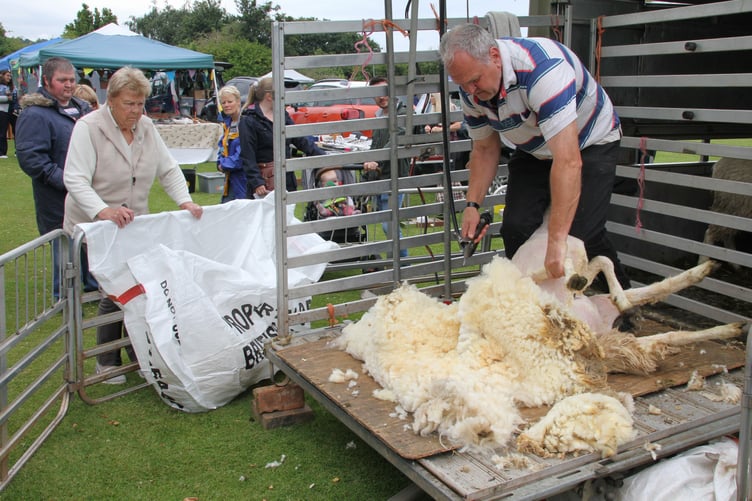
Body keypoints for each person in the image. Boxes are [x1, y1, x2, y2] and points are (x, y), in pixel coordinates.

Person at [439, 23, 629, 287]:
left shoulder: (543, 69)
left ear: (494, 56)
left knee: (581, 235)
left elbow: (568, 161)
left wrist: (557, 239)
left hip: (588, 141)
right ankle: (536, 309)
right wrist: (472, 205)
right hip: (534, 146)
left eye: (474, 80)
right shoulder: (472, 88)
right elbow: (484, 149)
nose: (470, 92)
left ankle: (621, 304)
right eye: (462, 84)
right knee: (516, 228)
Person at [63, 66, 203, 384]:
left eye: (140, 104)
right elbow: (74, 178)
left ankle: (133, 354)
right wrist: (102, 210)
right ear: (110, 99)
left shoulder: (146, 127)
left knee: (137, 287)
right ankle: (107, 362)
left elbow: (167, 168)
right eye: (129, 104)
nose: (136, 111)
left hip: (131, 224)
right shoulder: (88, 128)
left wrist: (185, 201)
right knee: (114, 288)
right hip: (93, 225)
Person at [16, 57, 95, 298]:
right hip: (55, 196)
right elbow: (33, 159)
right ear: (47, 81)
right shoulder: (35, 114)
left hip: (86, 191)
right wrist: (67, 181)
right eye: (62, 80)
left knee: (89, 241)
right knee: (63, 245)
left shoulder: (82, 108)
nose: (69, 85)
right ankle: (64, 296)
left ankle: (93, 285)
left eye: (71, 79)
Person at [239, 77, 325, 198]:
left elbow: (300, 140)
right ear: (269, 96)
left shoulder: (282, 115)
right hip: (264, 183)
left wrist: (324, 157)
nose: (284, 97)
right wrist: (257, 182)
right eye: (281, 93)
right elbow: (247, 155)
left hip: (286, 180)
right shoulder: (248, 120)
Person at [362, 76, 409, 258]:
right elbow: (376, 145)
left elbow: (397, 138)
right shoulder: (378, 116)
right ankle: (398, 268)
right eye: (376, 94)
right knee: (388, 224)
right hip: (381, 177)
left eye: (384, 92)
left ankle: (402, 268)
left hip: (396, 175)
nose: (381, 97)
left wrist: (377, 161)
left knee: (389, 224)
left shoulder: (403, 112)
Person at [216, 85, 245, 201]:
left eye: (230, 101)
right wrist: (219, 161)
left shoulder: (245, 122)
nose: (226, 105)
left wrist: (223, 165)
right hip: (230, 179)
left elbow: (241, 155)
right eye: (223, 103)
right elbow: (222, 146)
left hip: (244, 179)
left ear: (238, 101)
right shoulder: (227, 124)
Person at [0, 69, 17, 158]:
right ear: (1, 75)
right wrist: (6, 98)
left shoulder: (13, 87)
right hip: (3, 110)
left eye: (10, 76)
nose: (9, 78)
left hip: (13, 110)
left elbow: (16, 98)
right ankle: (2, 152)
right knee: (2, 131)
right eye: (7, 75)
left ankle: (18, 151)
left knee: (17, 130)